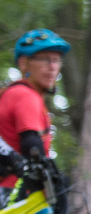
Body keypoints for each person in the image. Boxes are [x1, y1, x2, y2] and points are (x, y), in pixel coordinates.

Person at [0, 30, 69, 202]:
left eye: (56, 60)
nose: (52, 66)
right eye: (45, 59)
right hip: (11, 196)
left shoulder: (10, 94)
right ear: (24, 63)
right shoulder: (25, 95)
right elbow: (32, 145)